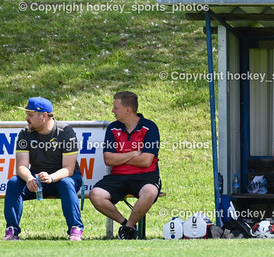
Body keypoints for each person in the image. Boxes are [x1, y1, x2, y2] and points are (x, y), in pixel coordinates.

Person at [3, 97, 83, 241]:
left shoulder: (65, 132)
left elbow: (68, 169)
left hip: (62, 178)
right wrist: (29, 178)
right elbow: (21, 166)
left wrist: (51, 177)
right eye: (27, 114)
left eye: (30, 115)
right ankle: (12, 232)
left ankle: (75, 229)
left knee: (66, 183)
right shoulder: (25, 134)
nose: (27, 118)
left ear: (44, 116)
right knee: (14, 182)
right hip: (36, 179)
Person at [89, 91, 162, 240]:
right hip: (118, 176)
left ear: (127, 110)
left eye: (116, 107)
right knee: (95, 194)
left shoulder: (150, 127)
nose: (112, 111)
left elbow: (146, 161)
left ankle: (128, 228)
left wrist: (121, 157)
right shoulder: (113, 128)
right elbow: (108, 159)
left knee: (149, 191)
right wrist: (133, 153)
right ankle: (126, 224)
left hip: (145, 176)